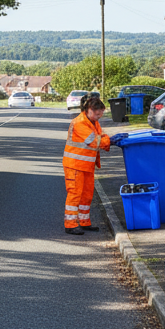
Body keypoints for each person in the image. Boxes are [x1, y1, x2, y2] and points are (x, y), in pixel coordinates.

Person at [63, 95, 112, 235]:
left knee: (87, 195)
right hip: (75, 165)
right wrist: (110, 140)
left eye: (100, 115)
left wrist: (107, 139)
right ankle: (70, 224)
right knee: (75, 194)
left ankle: (84, 222)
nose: (99, 117)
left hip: (86, 165)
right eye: (97, 114)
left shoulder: (93, 122)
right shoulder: (79, 123)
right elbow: (96, 141)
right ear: (89, 110)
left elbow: (101, 137)